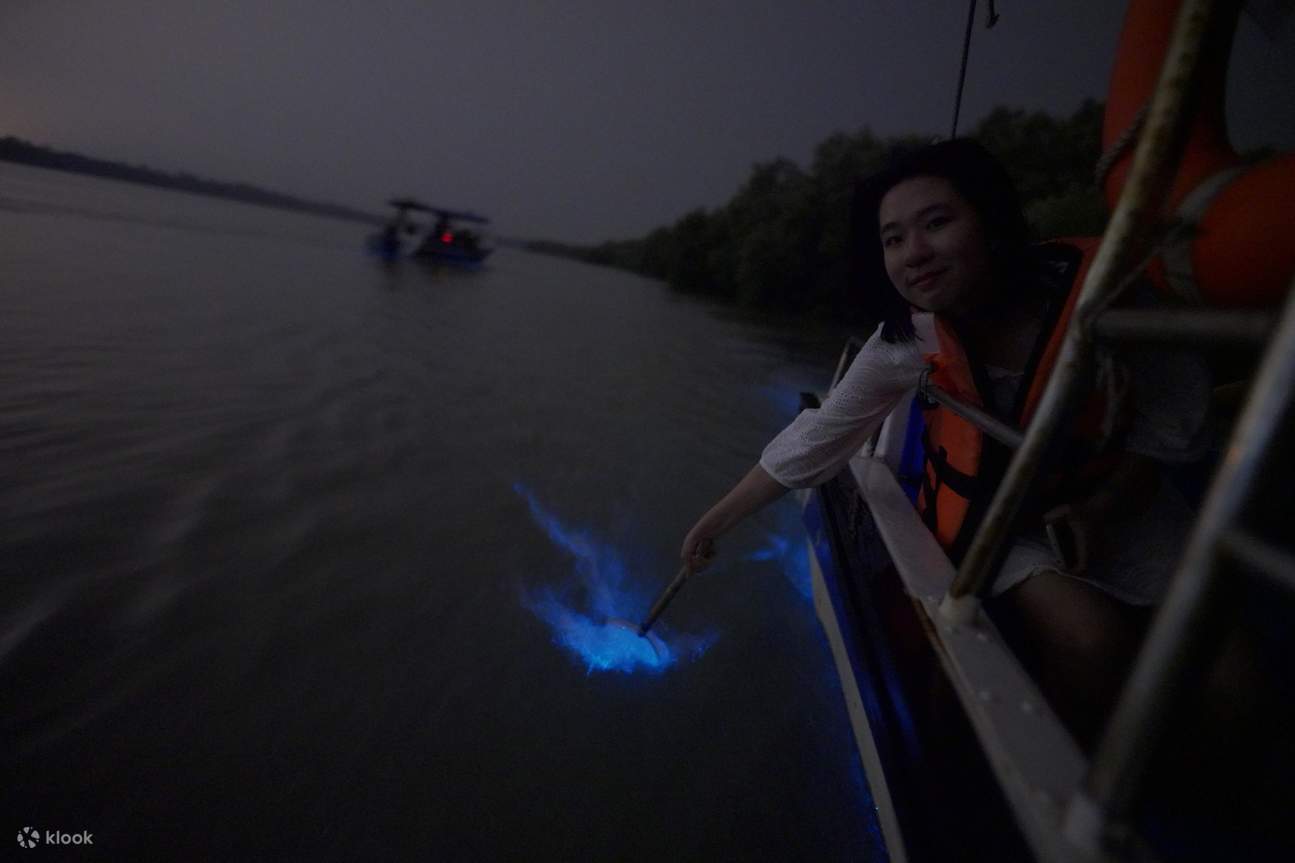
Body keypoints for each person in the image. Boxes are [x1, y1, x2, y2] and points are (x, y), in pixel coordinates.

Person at [680, 139, 1210, 744]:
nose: (916, 254)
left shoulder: (1107, 301)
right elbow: (818, 438)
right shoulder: (909, 341)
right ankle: (1062, 786)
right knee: (1093, 642)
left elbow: (1173, 434)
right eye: (893, 239)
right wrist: (715, 521)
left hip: (1125, 496)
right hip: (1003, 514)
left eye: (937, 223)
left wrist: (1101, 510)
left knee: (1235, 692)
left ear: (989, 220)